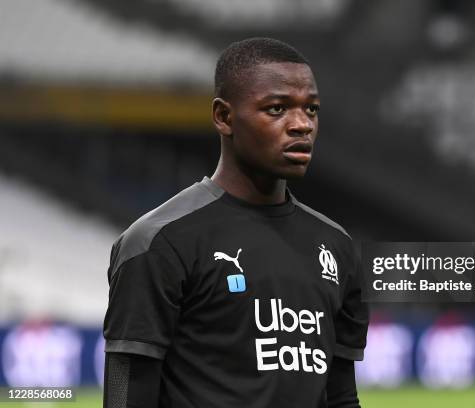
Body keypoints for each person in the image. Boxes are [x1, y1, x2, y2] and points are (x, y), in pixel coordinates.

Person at [103, 37, 369, 408]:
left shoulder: (336, 247)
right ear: (224, 117)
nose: (301, 125)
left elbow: (341, 397)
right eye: (277, 109)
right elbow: (126, 397)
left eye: (311, 109)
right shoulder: (158, 242)